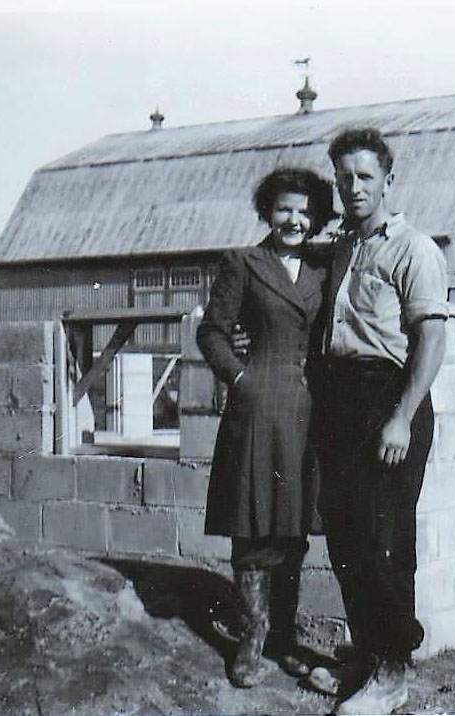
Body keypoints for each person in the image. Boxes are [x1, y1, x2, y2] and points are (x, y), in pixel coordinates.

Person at [312, 127, 449, 714]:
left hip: (391, 399)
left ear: (388, 181)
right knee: (344, 535)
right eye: (344, 178)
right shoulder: (343, 248)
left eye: (365, 177)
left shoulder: (414, 249)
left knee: (383, 537)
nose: (353, 188)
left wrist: (401, 417)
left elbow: (431, 341)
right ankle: (367, 653)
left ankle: (393, 671)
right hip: (339, 401)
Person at [196, 167, 336, 688]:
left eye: (304, 211)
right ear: (267, 212)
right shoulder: (244, 263)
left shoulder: (326, 267)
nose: (294, 219)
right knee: (254, 524)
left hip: (308, 412)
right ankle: (252, 638)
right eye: (284, 209)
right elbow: (211, 332)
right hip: (258, 409)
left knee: (293, 526)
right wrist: (240, 377)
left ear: (317, 216)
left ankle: (284, 639)